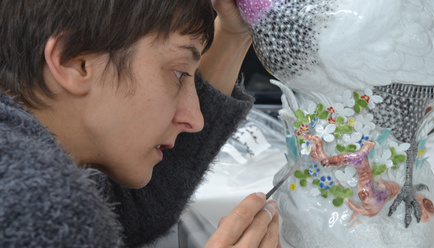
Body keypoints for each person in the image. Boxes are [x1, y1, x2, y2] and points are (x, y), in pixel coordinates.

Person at [0, 0, 281, 247]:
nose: (195, 120)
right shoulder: (36, 210)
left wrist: (234, 33)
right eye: (180, 74)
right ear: (74, 62)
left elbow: (132, 212)